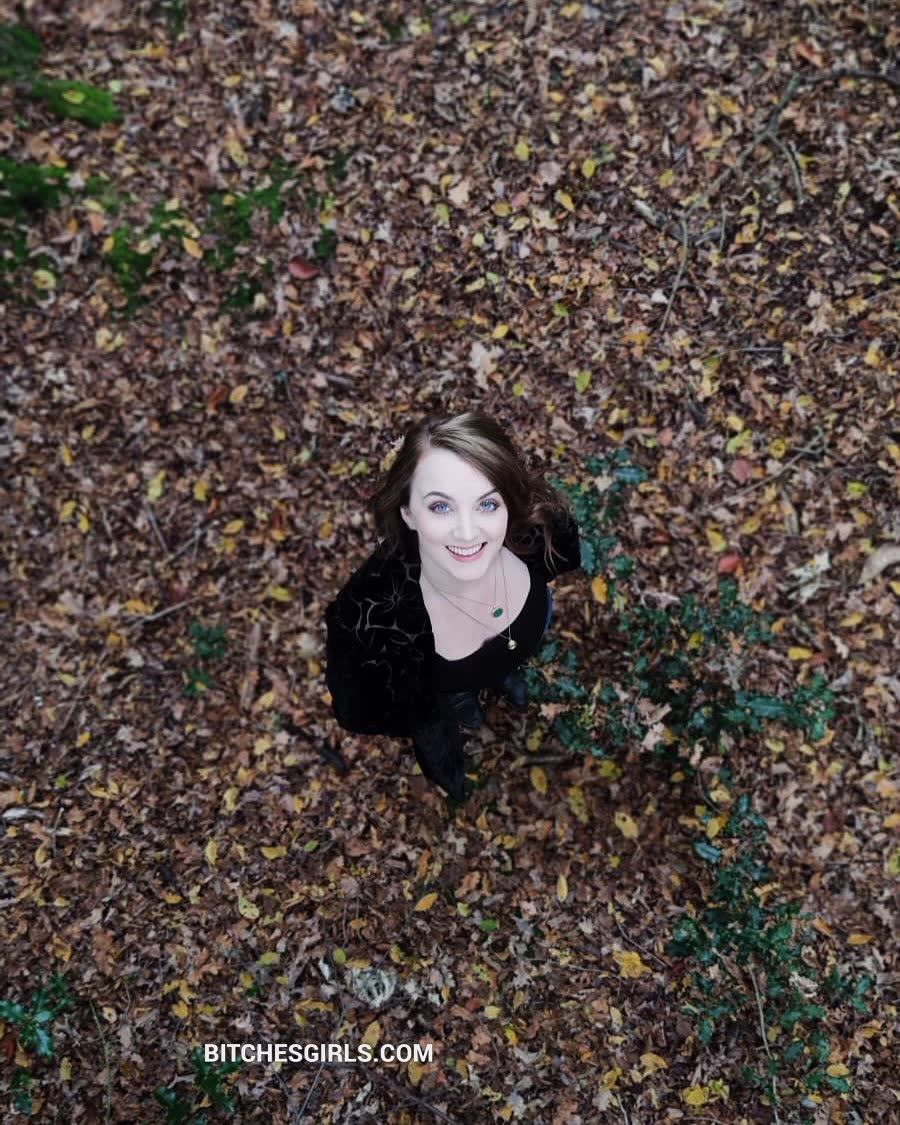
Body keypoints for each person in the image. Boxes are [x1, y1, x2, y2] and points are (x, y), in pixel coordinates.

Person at [324, 411, 582, 802]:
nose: (467, 532)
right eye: (441, 507)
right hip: (434, 698)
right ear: (408, 513)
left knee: (509, 662)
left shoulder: (538, 533)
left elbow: (563, 558)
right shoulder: (369, 621)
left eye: (487, 504)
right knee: (441, 734)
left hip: (516, 647)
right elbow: (359, 708)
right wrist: (428, 711)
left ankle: (505, 676)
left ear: (509, 504)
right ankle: (459, 717)